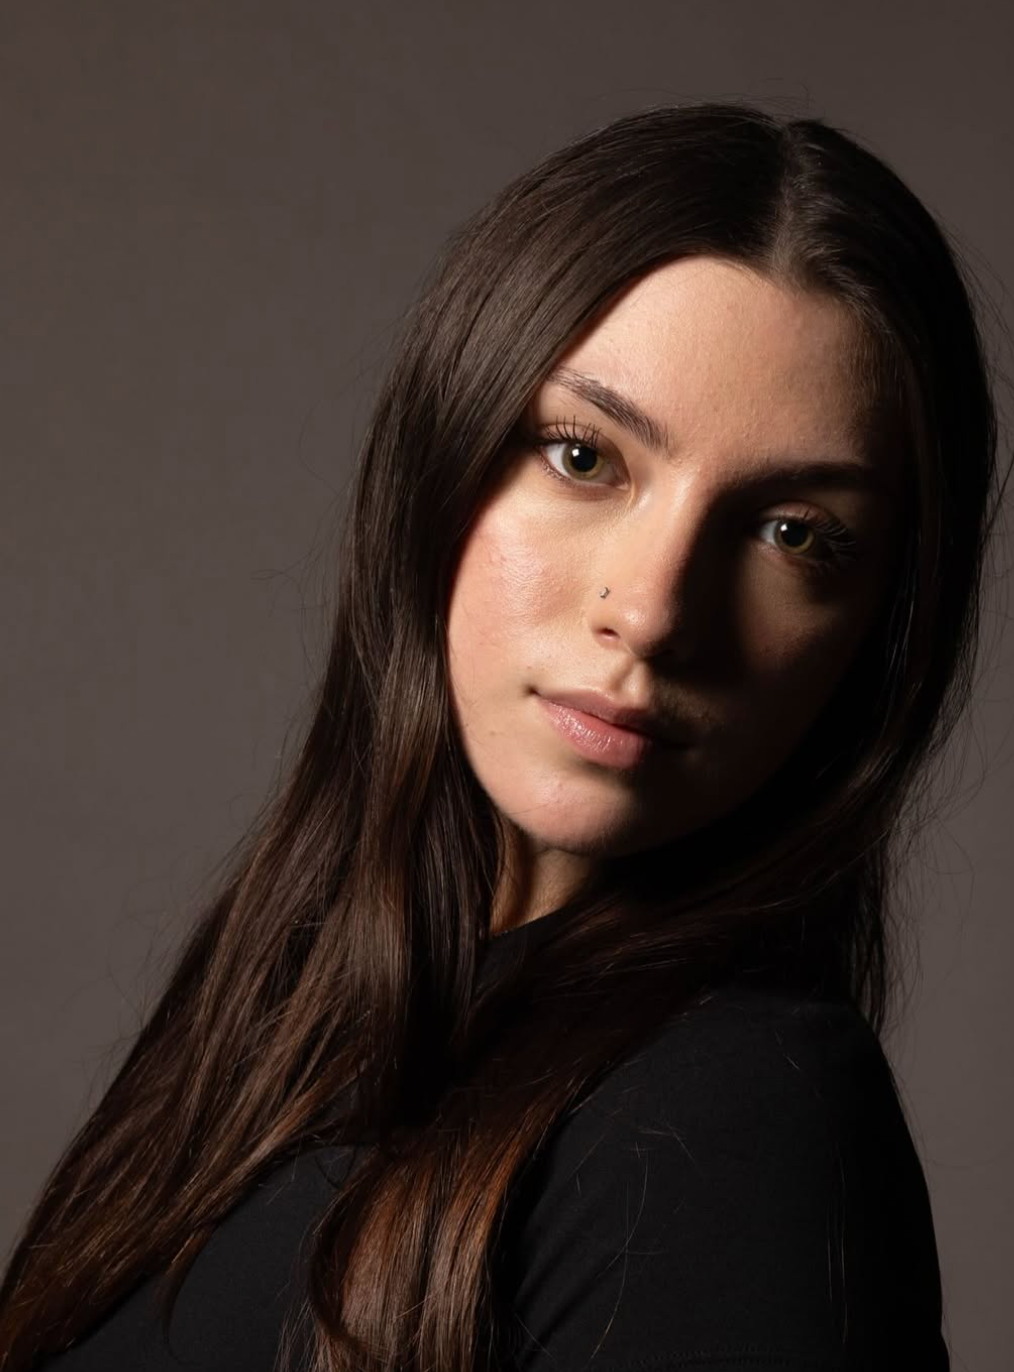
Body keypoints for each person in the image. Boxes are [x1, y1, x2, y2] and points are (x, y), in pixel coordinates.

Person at [0, 99, 1005, 1372]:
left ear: (875, 634)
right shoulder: (293, 991)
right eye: (585, 456)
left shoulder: (743, 1130)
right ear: (443, 456)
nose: (648, 610)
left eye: (795, 533)